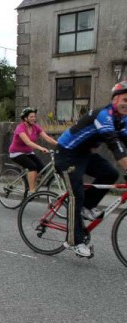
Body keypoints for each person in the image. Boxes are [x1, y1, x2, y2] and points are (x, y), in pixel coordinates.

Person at [55, 81, 127, 258]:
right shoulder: (104, 115)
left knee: (110, 174)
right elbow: (114, 144)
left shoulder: (122, 119)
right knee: (76, 195)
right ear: (115, 99)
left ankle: (87, 206)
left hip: (85, 154)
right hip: (67, 154)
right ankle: (74, 241)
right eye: (126, 99)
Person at [8, 107, 58, 193]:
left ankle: (30, 182)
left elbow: (47, 138)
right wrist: (41, 148)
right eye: (31, 117)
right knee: (32, 167)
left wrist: (60, 145)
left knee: (42, 168)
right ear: (25, 118)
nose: (34, 118)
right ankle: (31, 191)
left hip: (28, 152)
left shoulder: (35, 127)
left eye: (34, 117)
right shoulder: (20, 128)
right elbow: (28, 142)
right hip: (16, 153)